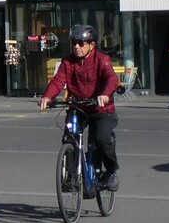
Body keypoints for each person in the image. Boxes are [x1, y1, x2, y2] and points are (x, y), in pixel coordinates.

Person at [39, 24, 120, 191]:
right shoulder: (68, 62)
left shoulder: (102, 60)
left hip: (101, 109)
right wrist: (48, 96)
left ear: (92, 45)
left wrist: (104, 94)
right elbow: (58, 81)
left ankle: (111, 171)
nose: (76, 47)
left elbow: (112, 79)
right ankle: (71, 177)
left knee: (102, 139)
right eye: (74, 43)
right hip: (78, 108)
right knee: (70, 137)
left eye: (81, 43)